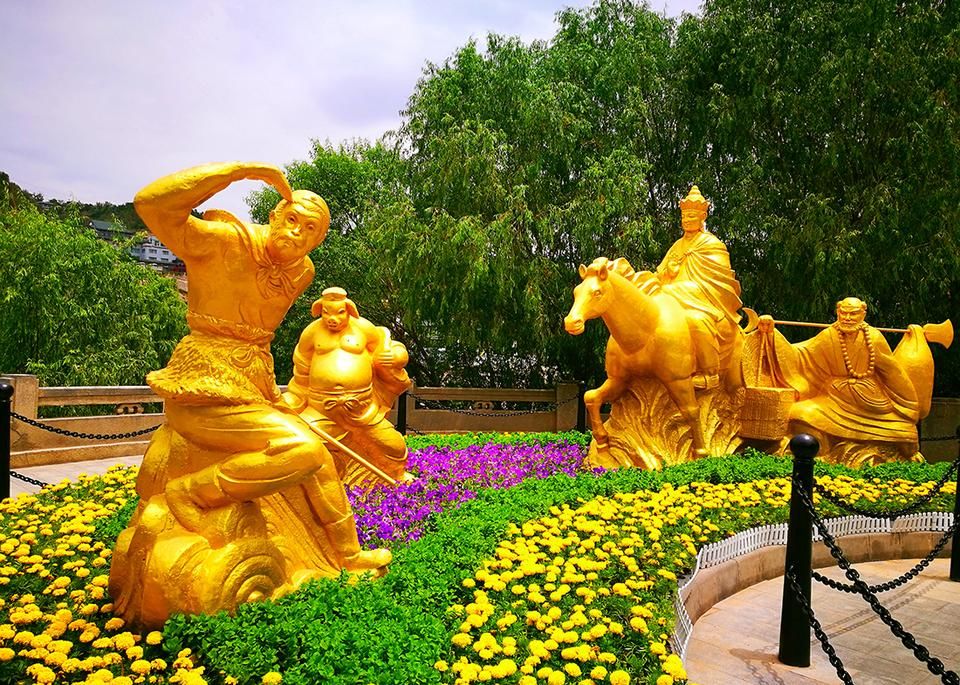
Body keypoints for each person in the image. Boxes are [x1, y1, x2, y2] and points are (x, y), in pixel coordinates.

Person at [110, 162, 389, 627]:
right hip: (204, 388)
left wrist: (276, 395)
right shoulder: (225, 241)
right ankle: (190, 493)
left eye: (310, 231)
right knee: (303, 450)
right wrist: (239, 171)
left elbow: (258, 338)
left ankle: (347, 554)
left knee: (318, 459)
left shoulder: (301, 272)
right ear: (275, 215)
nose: (296, 233)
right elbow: (151, 205)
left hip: (252, 388)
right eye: (292, 219)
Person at [759, 298, 921, 458]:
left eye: (853, 314)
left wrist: (908, 405)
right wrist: (772, 334)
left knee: (901, 431)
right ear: (837, 313)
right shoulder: (829, 335)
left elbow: (892, 372)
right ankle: (821, 448)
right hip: (834, 398)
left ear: (863, 314)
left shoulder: (873, 338)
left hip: (869, 401)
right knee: (798, 412)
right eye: (843, 313)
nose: (847, 318)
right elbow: (801, 355)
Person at [284, 287, 411, 484]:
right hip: (320, 409)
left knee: (394, 447)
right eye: (326, 313)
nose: (332, 319)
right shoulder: (312, 332)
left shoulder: (363, 328)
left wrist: (397, 356)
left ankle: (394, 478)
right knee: (300, 444)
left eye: (339, 312)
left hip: (362, 408)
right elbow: (301, 370)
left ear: (349, 310)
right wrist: (293, 399)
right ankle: (324, 482)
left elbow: (389, 345)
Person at [636, 185, 743, 388]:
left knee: (697, 321)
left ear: (702, 217)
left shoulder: (713, 245)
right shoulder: (677, 245)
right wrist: (667, 273)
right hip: (674, 300)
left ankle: (710, 374)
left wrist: (675, 288)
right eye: (684, 217)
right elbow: (659, 274)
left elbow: (717, 285)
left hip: (704, 303)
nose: (686, 220)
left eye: (691, 216)